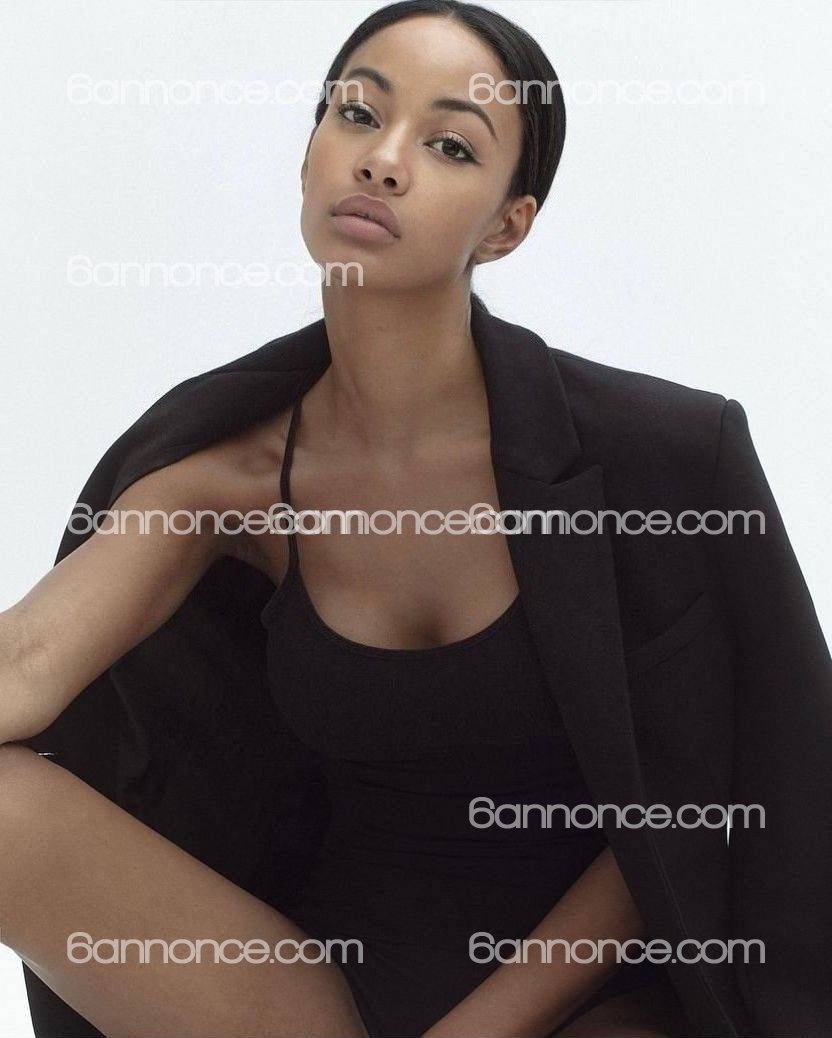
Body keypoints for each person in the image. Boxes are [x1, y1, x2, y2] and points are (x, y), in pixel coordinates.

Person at [3, 3, 830, 1037]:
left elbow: (694, 793)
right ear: (309, 153)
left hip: (595, 998)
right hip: (320, 993)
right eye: (357, 114)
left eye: (449, 145)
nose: (383, 161)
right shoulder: (225, 477)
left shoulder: (661, 455)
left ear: (508, 224)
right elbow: (25, 663)